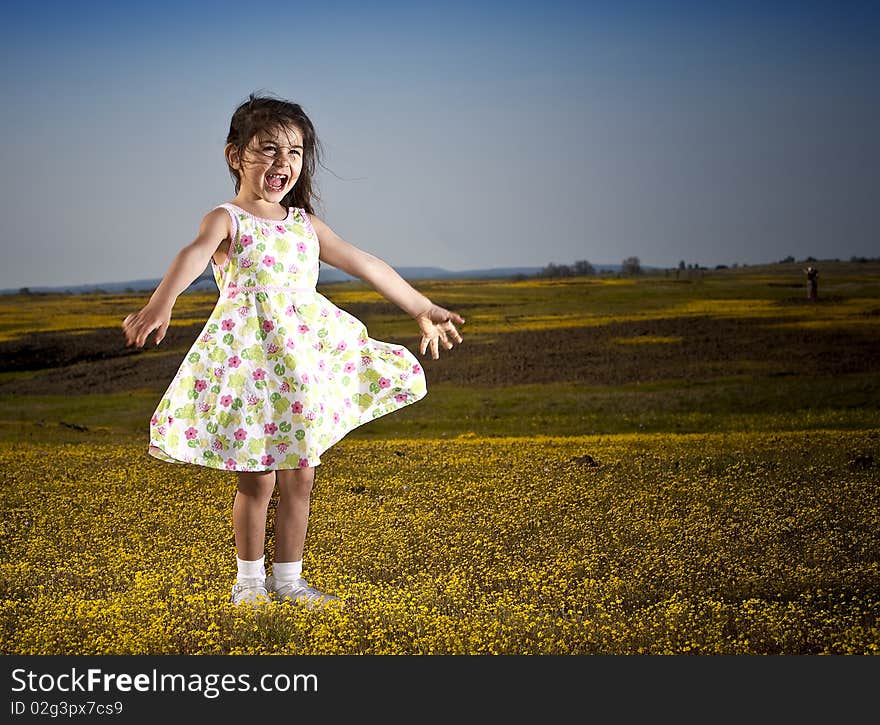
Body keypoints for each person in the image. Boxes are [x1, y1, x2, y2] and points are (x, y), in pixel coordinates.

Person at [122, 93, 464, 608]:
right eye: (267, 150)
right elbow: (192, 255)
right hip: (251, 366)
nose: (283, 163)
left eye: (295, 152)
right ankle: (250, 586)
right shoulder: (226, 219)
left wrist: (421, 307)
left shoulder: (305, 224)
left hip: (302, 362)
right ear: (235, 155)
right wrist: (161, 303)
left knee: (301, 474)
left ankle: (289, 581)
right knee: (257, 479)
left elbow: (365, 263)